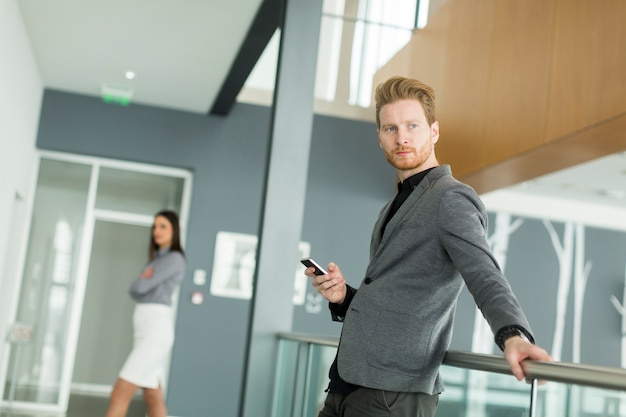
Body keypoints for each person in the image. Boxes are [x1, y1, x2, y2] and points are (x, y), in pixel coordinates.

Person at [304, 76, 553, 417]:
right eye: (390, 128)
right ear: (379, 138)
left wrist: (514, 335)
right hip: (347, 382)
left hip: (391, 394)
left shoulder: (451, 198)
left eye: (412, 125)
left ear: (434, 131)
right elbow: (396, 295)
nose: (401, 137)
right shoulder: (393, 205)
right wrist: (344, 296)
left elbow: (484, 275)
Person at [105, 210, 186, 417]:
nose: (156, 231)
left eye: (163, 226)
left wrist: (144, 279)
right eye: (154, 226)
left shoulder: (174, 258)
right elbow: (134, 288)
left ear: (174, 230)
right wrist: (144, 278)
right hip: (143, 332)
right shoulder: (154, 261)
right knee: (153, 396)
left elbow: (139, 288)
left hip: (155, 332)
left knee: (120, 391)